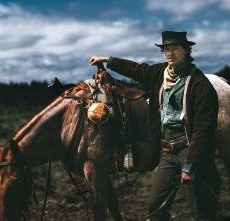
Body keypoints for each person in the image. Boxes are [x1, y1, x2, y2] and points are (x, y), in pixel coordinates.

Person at [89, 31, 221, 221]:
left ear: (186, 50)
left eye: (174, 48)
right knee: (155, 207)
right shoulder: (160, 73)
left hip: (190, 149)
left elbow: (204, 129)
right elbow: (135, 69)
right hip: (167, 152)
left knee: (202, 212)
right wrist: (107, 60)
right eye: (166, 49)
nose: (170, 53)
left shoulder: (199, 84)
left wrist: (191, 164)